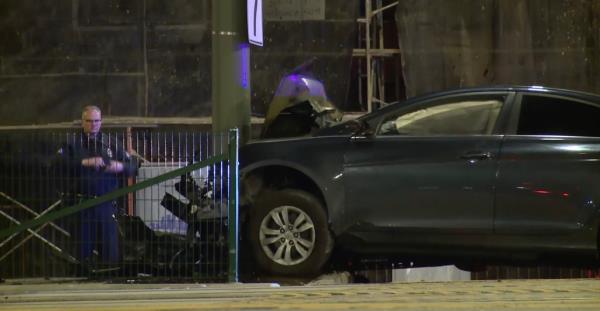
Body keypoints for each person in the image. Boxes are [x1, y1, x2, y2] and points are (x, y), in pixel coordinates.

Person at [57, 105, 138, 266]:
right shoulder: (73, 144)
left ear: (101, 122)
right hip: (81, 205)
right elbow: (57, 165)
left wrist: (120, 166)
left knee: (110, 253)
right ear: (82, 122)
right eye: (89, 121)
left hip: (106, 205)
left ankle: (109, 282)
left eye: (96, 121)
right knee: (81, 253)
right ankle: (81, 281)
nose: (93, 124)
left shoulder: (111, 144)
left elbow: (133, 167)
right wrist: (84, 162)